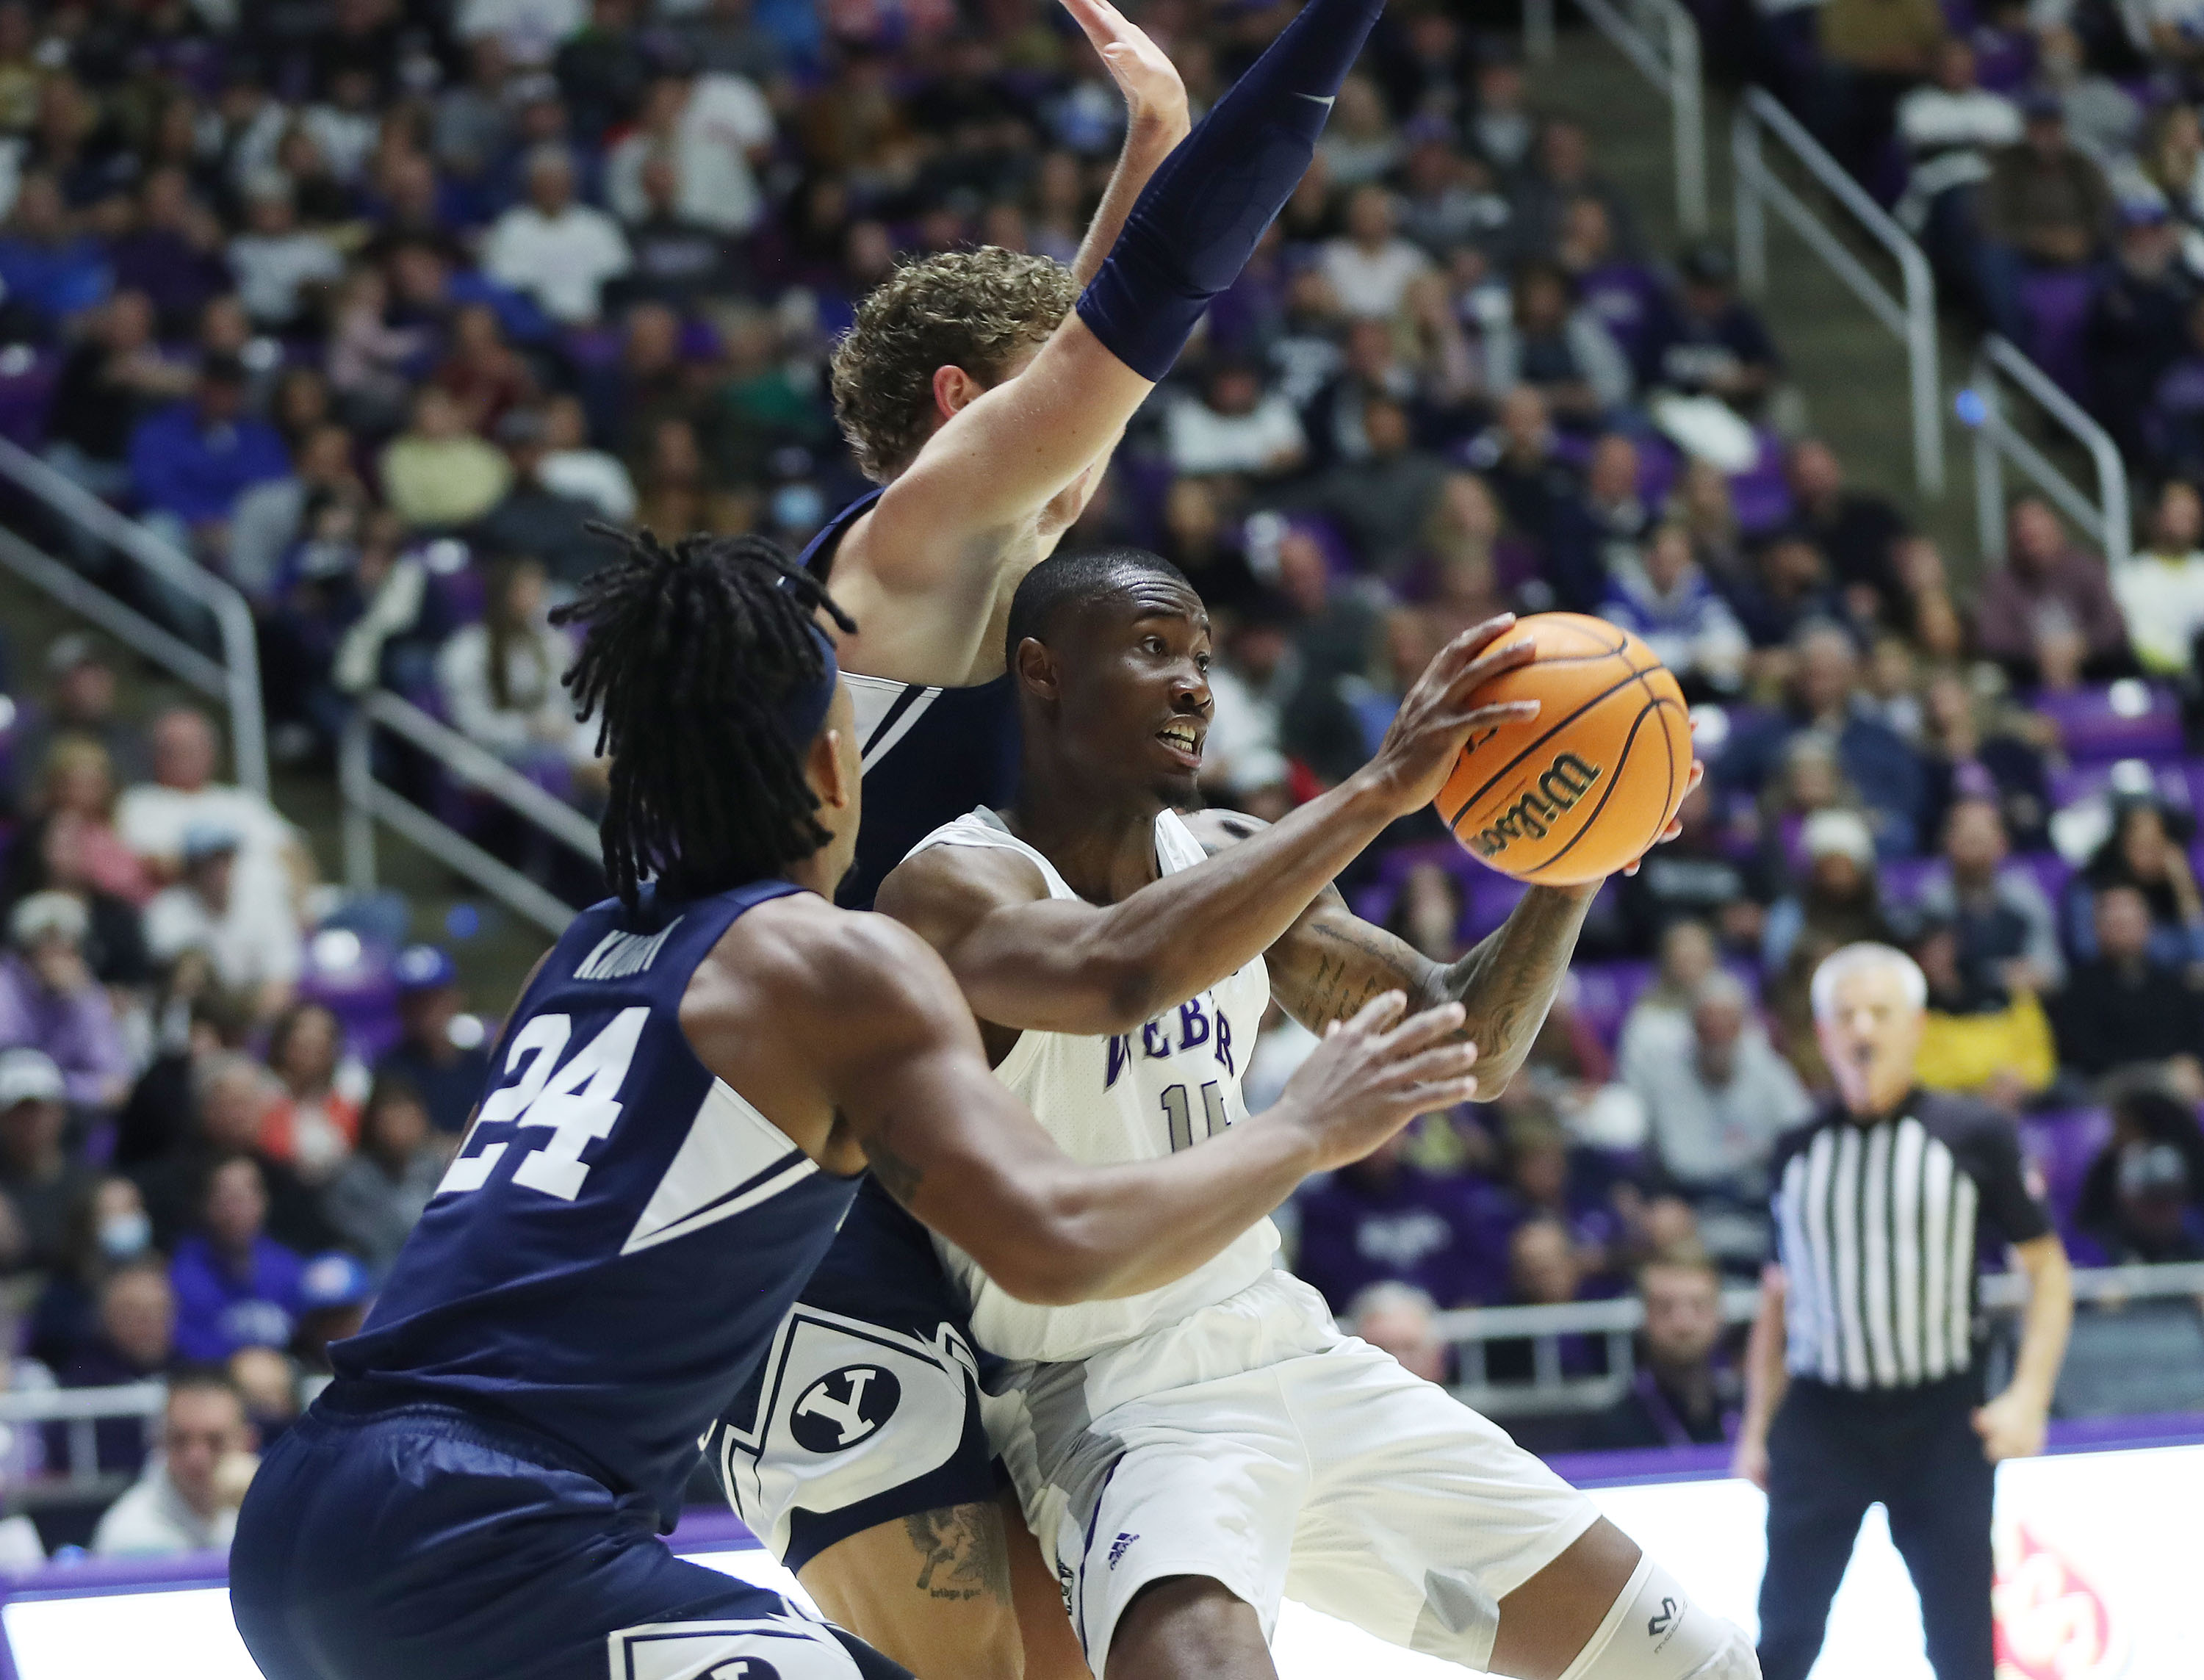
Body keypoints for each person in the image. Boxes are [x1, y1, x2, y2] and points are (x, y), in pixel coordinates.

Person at [228, 530, 1473, 1680]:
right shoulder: (830, 960)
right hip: (487, 1527)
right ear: (833, 762)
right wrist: (1305, 1124)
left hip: (305, 1511)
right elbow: (1058, 1241)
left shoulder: (591, 948)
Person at [738, 1, 1452, 1671]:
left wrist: (1146, 138)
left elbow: (1097, 349)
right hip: (786, 1189)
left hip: (896, 1155)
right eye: (1050, 408)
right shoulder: (910, 550)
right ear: (957, 408)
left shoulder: (966, 553)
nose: (1096, 451)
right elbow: (1131, 321)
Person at [729, 546, 1747, 1680]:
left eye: (1204, 657)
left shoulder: (1230, 857)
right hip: (1116, 1399)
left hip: (1297, 1344)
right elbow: (1116, 970)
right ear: (1043, 669)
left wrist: (1576, 860)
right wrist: (1379, 787)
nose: (1195, 684)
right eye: (1155, 648)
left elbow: (1466, 1043)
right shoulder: (956, 883)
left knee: (1697, 1660)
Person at [1733, 943, 2074, 1680]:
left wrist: (2029, 1397)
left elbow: (2048, 1273)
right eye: (1844, 1015)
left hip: (1941, 1419)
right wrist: (1759, 1423)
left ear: (1915, 1025)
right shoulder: (1795, 1150)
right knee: (1783, 1637)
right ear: (1821, 1033)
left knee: (1962, 1647)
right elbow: (1776, 1295)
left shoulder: (1972, 1134)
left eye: (1879, 1013)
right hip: (1823, 1418)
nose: (1862, 1029)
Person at [1624, 975, 1812, 1258]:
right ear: (1693, 1026)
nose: (1717, 1032)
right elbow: (1668, 1162)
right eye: (1707, 1023)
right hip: (1692, 1207)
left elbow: (1802, 1142)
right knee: (1661, 1222)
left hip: (1761, 1205)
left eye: (1728, 1022)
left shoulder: (1772, 1073)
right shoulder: (1664, 1078)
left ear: (1743, 1027)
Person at [91, 1370, 259, 1557]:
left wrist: (262, 1503)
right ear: (160, 1440)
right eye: (179, 1439)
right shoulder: (130, 1534)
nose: (196, 1457)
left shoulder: (264, 1506)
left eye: (215, 1441)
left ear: (248, 1442)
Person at [1585, 1254, 1739, 1449]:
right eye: (1665, 1308)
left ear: (1720, 1314)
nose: (1683, 1324)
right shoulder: (1611, 1429)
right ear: (1645, 1317)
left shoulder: (1752, 1413)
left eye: (1698, 1305)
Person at [170, 1156, 309, 1363]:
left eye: (246, 1196)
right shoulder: (182, 1274)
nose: (236, 1209)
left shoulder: (289, 1267)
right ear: (206, 1204)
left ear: (264, 1201)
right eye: (227, 1198)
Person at [321, 1075, 444, 1276]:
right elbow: (362, 1243)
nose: (401, 1130)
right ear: (373, 1124)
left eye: (409, 1120)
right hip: (375, 1275)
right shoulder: (350, 1179)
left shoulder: (438, 1169)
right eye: (392, 1120)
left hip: (433, 1269)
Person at [374, 945, 493, 1136]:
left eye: (433, 999)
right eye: (414, 1001)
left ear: (455, 999)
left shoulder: (482, 1066)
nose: (424, 1012)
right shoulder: (389, 1070)